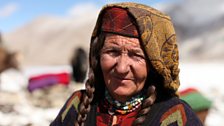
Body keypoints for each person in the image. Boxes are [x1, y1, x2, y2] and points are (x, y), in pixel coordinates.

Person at [50, 2, 203, 126]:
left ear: (155, 64)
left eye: (136, 55)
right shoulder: (78, 105)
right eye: (112, 52)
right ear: (97, 55)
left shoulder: (175, 116)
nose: (122, 68)